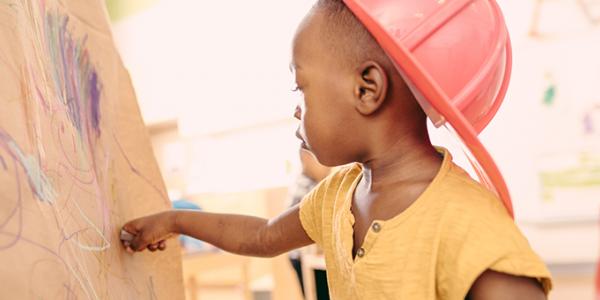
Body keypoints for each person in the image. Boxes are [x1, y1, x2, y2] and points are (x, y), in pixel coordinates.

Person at [121, 1, 552, 299]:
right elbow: (264, 235)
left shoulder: (466, 219)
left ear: (367, 89)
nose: (295, 108)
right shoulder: (339, 194)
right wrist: (175, 220)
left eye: (301, 87)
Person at [288, 147, 331, 299]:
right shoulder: (306, 187)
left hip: (306, 254)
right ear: (305, 159)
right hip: (302, 255)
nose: (327, 166)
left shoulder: (313, 183)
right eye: (320, 161)